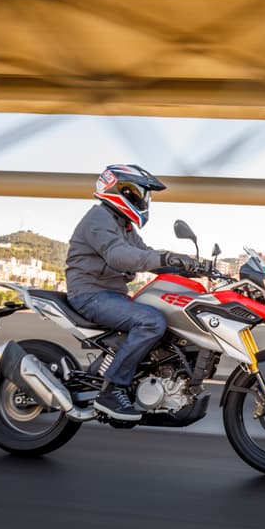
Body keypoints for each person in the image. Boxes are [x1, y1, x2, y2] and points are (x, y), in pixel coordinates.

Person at [65, 164, 196, 421]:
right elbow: (120, 255)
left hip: (111, 295)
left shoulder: (123, 225)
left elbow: (144, 253)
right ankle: (113, 389)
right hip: (90, 294)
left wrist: (188, 267)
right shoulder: (99, 217)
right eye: (136, 192)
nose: (142, 199)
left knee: (165, 319)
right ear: (117, 188)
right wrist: (165, 257)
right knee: (151, 321)